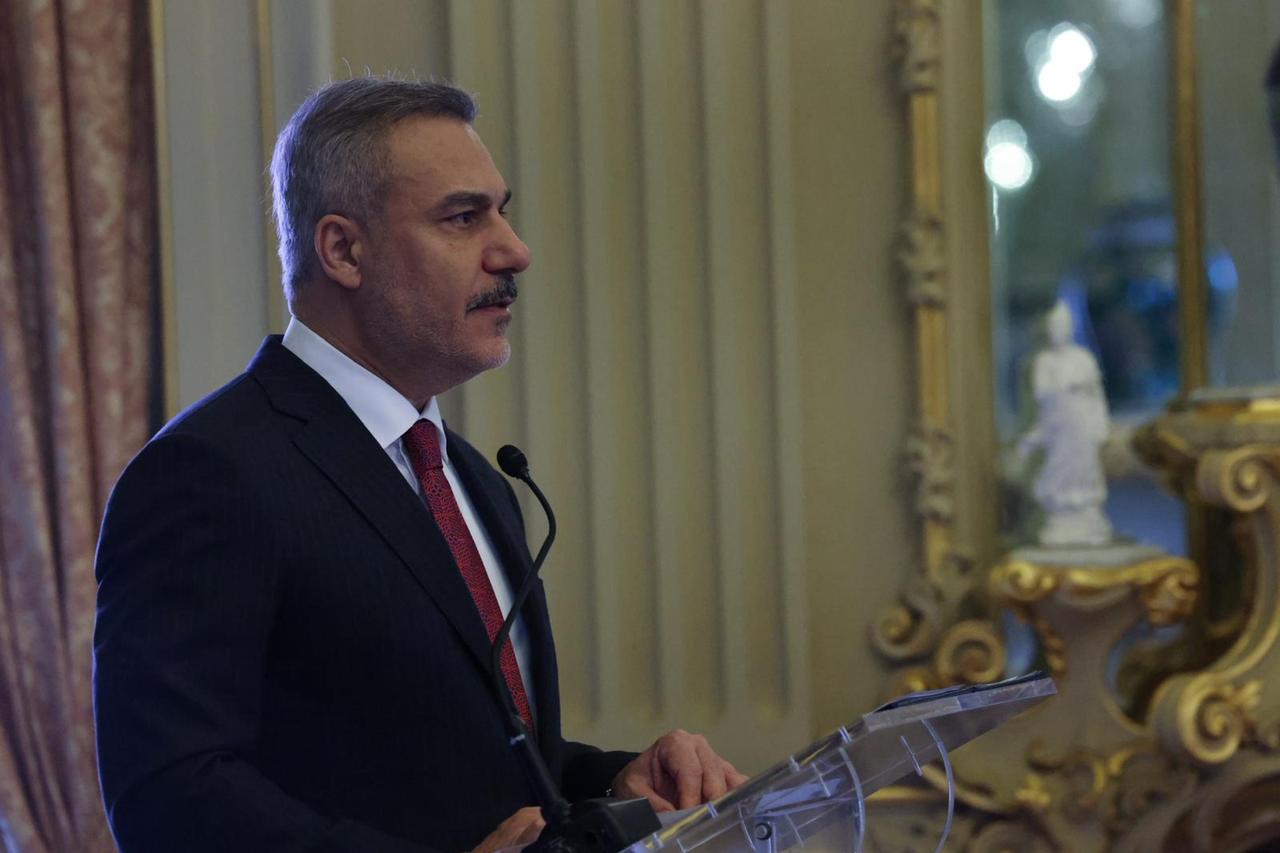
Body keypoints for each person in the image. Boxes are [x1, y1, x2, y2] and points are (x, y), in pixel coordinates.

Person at [93, 77, 745, 853]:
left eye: (501, 211)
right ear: (343, 249)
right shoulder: (209, 472)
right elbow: (168, 798)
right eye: (463, 217)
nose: (514, 250)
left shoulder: (473, 480)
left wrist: (614, 781)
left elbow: (468, 763)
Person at [1017, 299, 1112, 546]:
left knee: (1086, 467)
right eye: (1054, 327)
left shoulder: (1083, 358)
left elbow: (1096, 394)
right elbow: (1041, 392)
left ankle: (1086, 511)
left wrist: (1100, 423)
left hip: (1083, 423)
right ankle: (1060, 509)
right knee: (1059, 467)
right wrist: (1068, 387)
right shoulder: (1044, 361)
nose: (1058, 331)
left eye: (1062, 326)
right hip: (1059, 424)